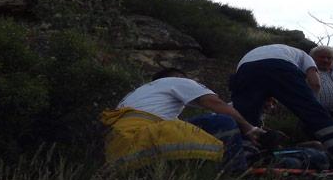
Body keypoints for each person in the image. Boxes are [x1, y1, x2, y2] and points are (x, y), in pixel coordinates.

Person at [229, 44, 333, 169]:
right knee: (316, 114)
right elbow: (315, 83)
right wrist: (309, 105)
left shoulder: (262, 52)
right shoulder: (305, 57)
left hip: (245, 67)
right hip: (281, 66)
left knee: (247, 118)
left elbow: (260, 86)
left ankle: (245, 157)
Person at [100, 68, 263, 170]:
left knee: (183, 126)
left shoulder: (137, 96)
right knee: (222, 121)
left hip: (119, 150)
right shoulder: (176, 81)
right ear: (179, 78)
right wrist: (250, 129)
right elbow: (215, 103)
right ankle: (236, 171)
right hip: (145, 135)